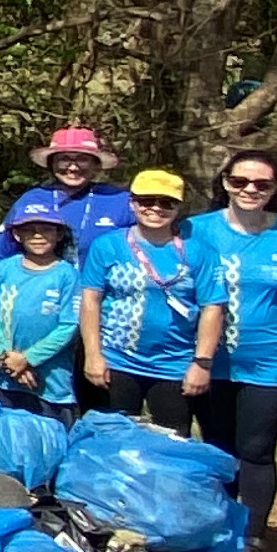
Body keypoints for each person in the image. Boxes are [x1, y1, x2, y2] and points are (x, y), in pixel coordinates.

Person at [189, 152, 277, 528]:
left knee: (257, 450)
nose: (250, 190)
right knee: (218, 446)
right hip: (211, 360)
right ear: (225, 182)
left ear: (275, 189)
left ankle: (254, 535)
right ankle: (220, 529)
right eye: (240, 181)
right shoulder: (197, 229)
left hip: (271, 359)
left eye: (262, 184)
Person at [78, 169, 209, 432]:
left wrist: (201, 363)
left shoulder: (198, 251)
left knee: (171, 443)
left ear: (179, 208)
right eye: (147, 201)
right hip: (116, 360)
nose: (156, 209)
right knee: (111, 439)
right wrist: (93, 355)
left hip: (174, 364)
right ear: (132, 203)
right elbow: (90, 300)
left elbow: (212, 309)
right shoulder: (107, 246)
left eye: (167, 202)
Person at [0, 203, 88, 417]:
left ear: (59, 234)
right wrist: (5, 359)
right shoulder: (3, 269)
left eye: (46, 229)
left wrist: (27, 359)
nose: (38, 236)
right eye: (29, 230)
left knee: (51, 440)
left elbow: (69, 326)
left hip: (50, 381)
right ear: (17, 235)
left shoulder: (67, 275)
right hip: (4, 376)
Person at [0, 126, 136, 263]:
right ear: (51, 164)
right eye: (64, 159)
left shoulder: (119, 200)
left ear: (96, 165)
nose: (73, 167)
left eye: (82, 159)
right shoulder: (30, 200)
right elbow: (0, 258)